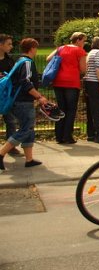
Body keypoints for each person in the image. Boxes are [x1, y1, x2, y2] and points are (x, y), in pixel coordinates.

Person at [0, 38, 49, 173]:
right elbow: (26, 82)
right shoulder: (27, 62)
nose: (36, 50)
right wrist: (39, 97)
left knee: (29, 128)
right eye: (36, 48)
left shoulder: (19, 61)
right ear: (32, 48)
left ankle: (29, 160)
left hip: (20, 101)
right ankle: (2, 153)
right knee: (26, 128)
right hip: (23, 101)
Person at [46, 32, 87, 144]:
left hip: (58, 81)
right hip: (71, 82)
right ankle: (67, 136)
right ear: (78, 40)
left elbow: (48, 58)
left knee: (61, 108)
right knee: (71, 110)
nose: (84, 43)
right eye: (83, 41)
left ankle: (58, 136)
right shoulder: (80, 51)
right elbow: (83, 69)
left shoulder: (60, 48)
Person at [83, 36, 99, 143]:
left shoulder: (90, 53)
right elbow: (98, 68)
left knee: (91, 109)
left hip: (88, 82)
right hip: (95, 83)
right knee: (98, 109)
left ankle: (91, 133)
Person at [0, 34, 21, 156]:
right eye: (9, 44)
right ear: (0, 45)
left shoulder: (9, 60)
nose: (11, 46)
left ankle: (10, 147)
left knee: (11, 121)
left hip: (7, 96)